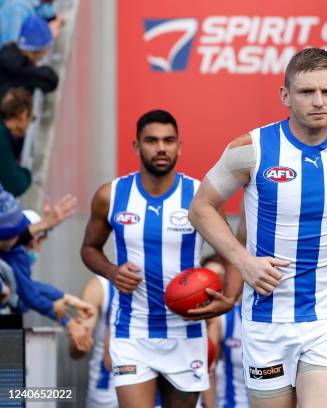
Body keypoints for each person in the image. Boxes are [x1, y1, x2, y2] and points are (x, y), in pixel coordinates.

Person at [187, 47, 327, 408]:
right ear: (285, 95)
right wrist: (243, 261)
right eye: (306, 91)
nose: (318, 101)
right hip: (267, 317)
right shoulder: (251, 149)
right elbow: (201, 208)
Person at [80, 110, 210, 408]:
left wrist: (226, 298)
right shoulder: (110, 195)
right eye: (151, 140)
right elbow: (89, 248)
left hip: (185, 331)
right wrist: (112, 272)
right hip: (132, 330)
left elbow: (231, 251)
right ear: (136, 146)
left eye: (169, 140)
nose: (161, 148)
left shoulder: (199, 195)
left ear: (180, 145)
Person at [0, 189, 92, 343]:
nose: (37, 249)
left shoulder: (9, 253)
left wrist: (65, 298)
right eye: (35, 241)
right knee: (8, 366)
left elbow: (25, 288)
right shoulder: (16, 254)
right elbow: (27, 297)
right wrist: (68, 321)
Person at [68, 275, 118, 408]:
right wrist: (80, 339)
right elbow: (76, 351)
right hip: (107, 390)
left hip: (157, 388)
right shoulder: (100, 286)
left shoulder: (167, 283)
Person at [0, 14, 58, 97]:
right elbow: (50, 80)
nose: (46, 52)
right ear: (38, 50)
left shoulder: (8, 52)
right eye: (45, 49)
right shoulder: (19, 67)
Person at [0, 87, 33, 196]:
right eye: (31, 118)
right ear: (23, 114)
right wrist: (26, 174)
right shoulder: (2, 138)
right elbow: (16, 184)